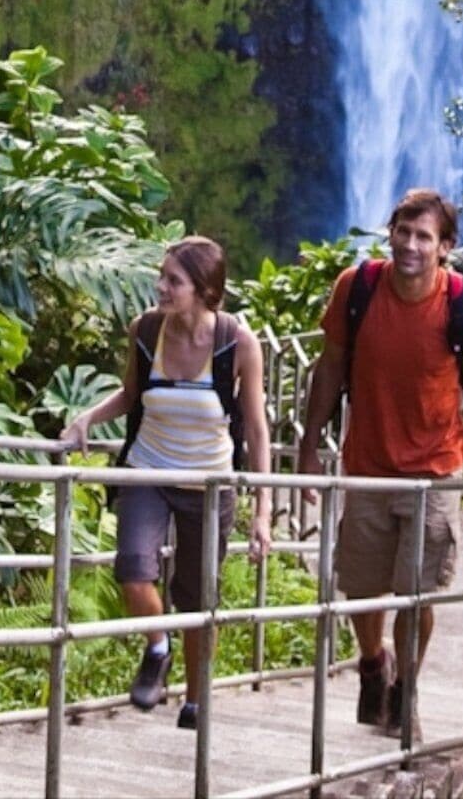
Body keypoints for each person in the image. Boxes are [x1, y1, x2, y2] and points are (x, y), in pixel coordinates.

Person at [291, 188, 463, 738]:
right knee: (361, 587)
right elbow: (329, 367)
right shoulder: (358, 288)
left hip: (436, 467)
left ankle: (406, 690)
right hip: (367, 463)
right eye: (403, 232)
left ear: (445, 248)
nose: (410, 246)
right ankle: (374, 665)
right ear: (389, 233)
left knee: (418, 591)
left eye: (425, 237)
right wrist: (308, 445)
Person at [62, 235, 270, 727]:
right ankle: (158, 646)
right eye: (163, 277)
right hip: (148, 470)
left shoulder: (237, 343)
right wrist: (86, 419)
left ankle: (196, 700)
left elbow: (257, 429)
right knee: (134, 568)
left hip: (209, 482)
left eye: (172, 281)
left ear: (204, 291)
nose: (161, 287)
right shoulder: (146, 330)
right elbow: (132, 394)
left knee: (199, 597)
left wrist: (262, 510)